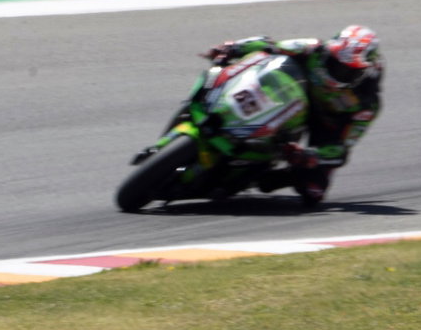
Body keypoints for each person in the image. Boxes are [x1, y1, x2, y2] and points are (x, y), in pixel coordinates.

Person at [150, 24, 383, 204]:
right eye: (333, 61)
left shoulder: (366, 103)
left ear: (363, 73)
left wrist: (309, 154)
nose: (336, 70)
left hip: (322, 122)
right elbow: (269, 45)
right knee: (217, 77)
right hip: (289, 90)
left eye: (346, 70)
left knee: (313, 191)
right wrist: (232, 47)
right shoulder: (312, 47)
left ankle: (258, 174)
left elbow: (342, 149)